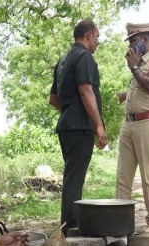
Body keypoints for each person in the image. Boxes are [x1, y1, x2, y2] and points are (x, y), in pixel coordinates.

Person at [49, 19, 107, 229]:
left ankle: (69, 224)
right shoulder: (84, 57)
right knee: (74, 180)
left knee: (72, 176)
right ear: (89, 35)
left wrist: (70, 111)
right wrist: (99, 125)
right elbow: (85, 90)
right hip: (80, 127)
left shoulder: (63, 60)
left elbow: (54, 99)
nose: (98, 41)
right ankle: (70, 228)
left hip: (66, 127)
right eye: (97, 36)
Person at [116, 22, 149, 233]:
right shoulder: (139, 63)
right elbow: (141, 88)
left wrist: (134, 67)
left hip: (148, 123)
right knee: (123, 176)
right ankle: (119, 221)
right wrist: (126, 95)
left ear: (144, 40)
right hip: (129, 123)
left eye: (132, 40)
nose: (130, 45)